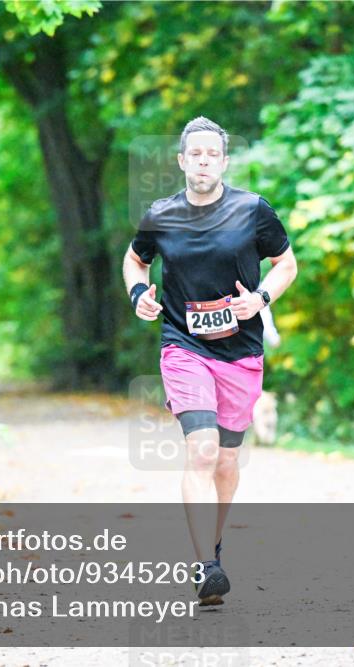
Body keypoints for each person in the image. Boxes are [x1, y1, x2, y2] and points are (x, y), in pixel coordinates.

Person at [123, 116, 298, 605]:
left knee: (225, 460)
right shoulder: (161, 214)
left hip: (240, 351)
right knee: (200, 450)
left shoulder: (252, 211)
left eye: (211, 154)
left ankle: (212, 548)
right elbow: (134, 259)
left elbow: (287, 264)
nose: (202, 161)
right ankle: (205, 565)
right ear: (181, 161)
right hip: (184, 346)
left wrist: (260, 299)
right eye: (194, 154)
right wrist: (138, 292)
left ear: (223, 161)